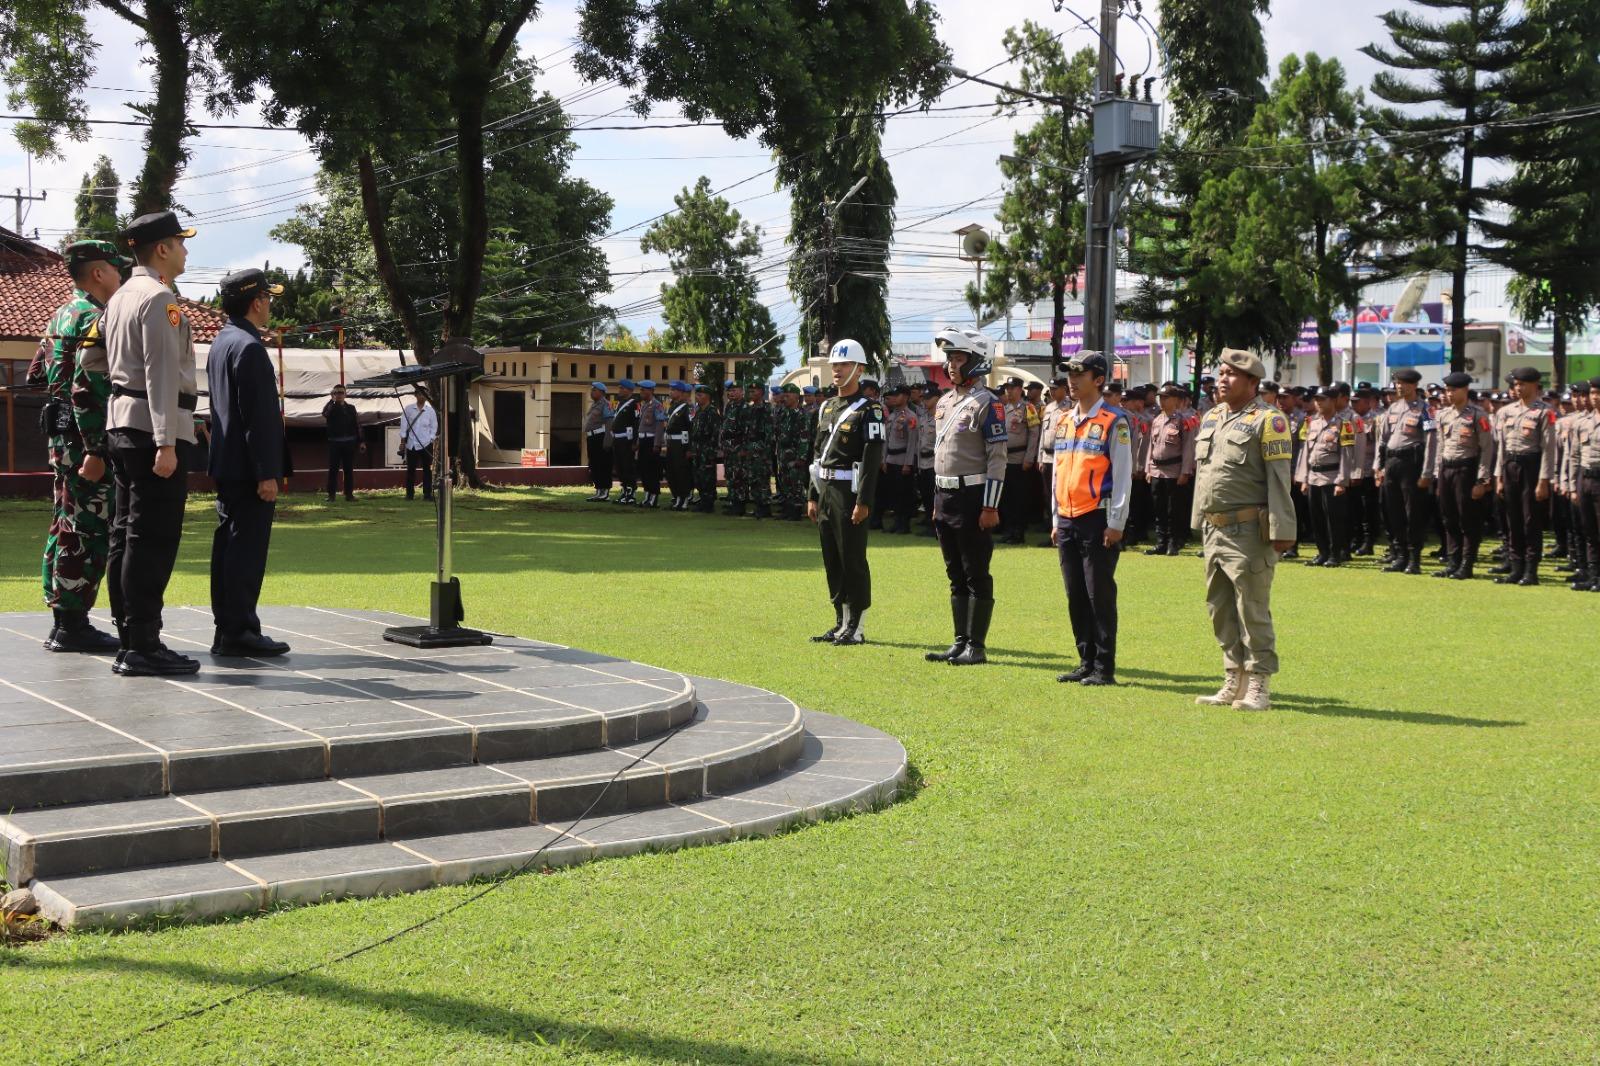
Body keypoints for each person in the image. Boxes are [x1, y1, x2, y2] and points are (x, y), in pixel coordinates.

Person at [102, 210, 203, 677]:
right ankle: (143, 643)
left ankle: (130, 635)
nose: (185, 250)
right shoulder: (160, 298)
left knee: (126, 533)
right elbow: (162, 371)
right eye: (180, 242)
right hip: (153, 429)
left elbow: (98, 363)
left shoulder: (120, 297)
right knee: (153, 537)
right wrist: (166, 442)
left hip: (123, 425)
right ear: (161, 248)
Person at [31, 240, 128, 654]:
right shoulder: (94, 317)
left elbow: (38, 374)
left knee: (65, 524)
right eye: (116, 269)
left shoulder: (60, 314)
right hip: (86, 440)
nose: (121, 277)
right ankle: (72, 625)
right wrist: (95, 448)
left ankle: (62, 619)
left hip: (62, 438)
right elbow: (90, 387)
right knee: (86, 532)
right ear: (98, 273)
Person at [1190, 348, 1296, 712]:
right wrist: (1197, 519)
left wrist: (1282, 530)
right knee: (1219, 608)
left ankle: (1259, 687)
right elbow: (1205, 475)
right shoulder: (1212, 418)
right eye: (1220, 371)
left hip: (1250, 530)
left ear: (1252, 382)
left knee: (1252, 608)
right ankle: (1233, 679)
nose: (1222, 378)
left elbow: (1279, 481)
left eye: (1232, 374)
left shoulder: (1270, 420)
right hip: (1213, 529)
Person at [206, 269, 291, 658]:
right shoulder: (250, 347)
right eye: (268, 298)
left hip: (227, 463)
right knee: (246, 550)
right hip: (248, 468)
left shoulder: (223, 342)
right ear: (256, 301)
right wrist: (267, 473)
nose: (270, 304)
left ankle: (227, 627)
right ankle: (240, 630)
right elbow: (258, 417)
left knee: (228, 546)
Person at [924, 328, 1006, 666]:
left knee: (976, 572)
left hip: (974, 496)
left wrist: (990, 505)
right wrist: (934, 501)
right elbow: (940, 454)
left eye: (959, 359)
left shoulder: (989, 403)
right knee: (954, 573)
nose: (951, 365)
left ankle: (977, 645)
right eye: (950, 359)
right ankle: (959, 641)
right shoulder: (945, 401)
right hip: (945, 495)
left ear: (976, 362)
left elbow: (997, 458)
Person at [1050, 352, 1130, 687]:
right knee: (1075, 594)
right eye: (1069, 373)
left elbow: (1124, 475)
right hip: (1068, 519)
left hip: (1097, 519)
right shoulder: (1066, 419)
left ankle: (1103, 666)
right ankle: (1085, 660)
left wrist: (1117, 522)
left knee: (1099, 594)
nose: (1072, 379)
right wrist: (1055, 517)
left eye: (1079, 374)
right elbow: (1057, 472)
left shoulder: (1115, 421)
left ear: (1098, 379)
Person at [807, 339, 886, 646]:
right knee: (831, 557)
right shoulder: (827, 406)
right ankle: (840, 621)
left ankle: (858, 624)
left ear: (859, 368)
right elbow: (816, 454)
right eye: (834, 366)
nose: (837, 371)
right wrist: (812, 495)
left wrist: (864, 501)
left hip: (848, 491)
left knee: (852, 557)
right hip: (825, 488)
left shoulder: (870, 410)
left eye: (843, 365)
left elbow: (871, 458)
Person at [1492, 366, 1557, 586]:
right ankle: (1516, 567)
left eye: (1522, 384)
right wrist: (1498, 476)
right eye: (1516, 384)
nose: (1518, 388)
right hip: (1510, 466)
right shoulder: (1505, 412)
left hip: (1532, 467)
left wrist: (1543, 481)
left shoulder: (1544, 412)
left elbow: (1548, 449)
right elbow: (1501, 446)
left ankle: (1531, 571)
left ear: (1534, 385)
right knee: (1513, 519)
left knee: (1531, 520)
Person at [1429, 371, 1496, 580]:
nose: (1449, 394)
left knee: (1468, 518)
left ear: (1465, 390)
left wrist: (1482, 480)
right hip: (1447, 469)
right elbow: (1440, 445)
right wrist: (1437, 474)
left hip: (1467, 469)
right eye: (1447, 390)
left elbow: (1486, 449)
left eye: (1453, 390)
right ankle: (1453, 561)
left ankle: (1467, 563)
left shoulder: (1477, 415)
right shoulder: (1443, 415)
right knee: (1448, 517)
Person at [1374, 368, 1438, 574]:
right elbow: (1382, 440)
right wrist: (1379, 466)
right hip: (1392, 463)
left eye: (1404, 383)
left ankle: (1414, 558)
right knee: (1394, 512)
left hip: (1412, 463)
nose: (1400, 386)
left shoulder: (1426, 410)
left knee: (1413, 513)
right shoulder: (1392, 408)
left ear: (1414, 385)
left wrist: (1427, 472)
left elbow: (1431, 442)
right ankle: (1400, 555)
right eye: (1397, 383)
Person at [1293, 386, 1353, 567]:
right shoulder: (1311, 422)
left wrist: (1342, 481)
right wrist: (1303, 478)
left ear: (1333, 401)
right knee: (1316, 518)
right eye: (1316, 399)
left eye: (1322, 399)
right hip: (1313, 477)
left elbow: (1347, 454)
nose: (1318, 402)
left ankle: (1335, 554)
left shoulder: (1344, 424)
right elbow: (1305, 452)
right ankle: (1322, 552)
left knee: (1333, 519)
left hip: (1332, 476)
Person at [1144, 382, 1197, 556]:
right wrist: (1148, 469)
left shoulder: (1182, 420)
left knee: (1173, 510)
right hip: (1157, 469)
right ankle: (1161, 542)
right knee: (1158, 509)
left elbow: (1189, 447)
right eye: (1161, 397)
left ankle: (1173, 543)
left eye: (1166, 397)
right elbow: (1151, 447)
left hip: (1174, 470)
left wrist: (1185, 472)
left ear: (1175, 400)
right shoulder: (1157, 420)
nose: (1162, 401)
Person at [1568, 377, 1600, 593]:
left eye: (1598, 393)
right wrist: (1572, 486)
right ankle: (1593, 576)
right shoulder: (1582, 422)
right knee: (1589, 531)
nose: (1595, 397)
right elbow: (1574, 456)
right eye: (1593, 393)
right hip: (1585, 480)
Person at [999, 378, 1039, 544]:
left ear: (1020, 389)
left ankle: (1018, 532)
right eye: (1007, 388)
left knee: (1019, 499)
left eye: (1013, 388)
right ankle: (1008, 531)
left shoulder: (1028, 408)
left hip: (1020, 459)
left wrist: (1029, 458)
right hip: (1004, 459)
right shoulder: (1002, 409)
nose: (1009, 391)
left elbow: (1034, 433)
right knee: (1006, 498)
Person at [322, 384, 362, 502]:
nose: (339, 395)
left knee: (349, 470)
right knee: (333, 470)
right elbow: (325, 414)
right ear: (333, 394)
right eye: (336, 393)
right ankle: (331, 495)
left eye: (341, 392)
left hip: (349, 442)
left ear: (345, 394)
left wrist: (362, 441)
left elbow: (357, 425)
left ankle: (349, 495)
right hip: (335, 443)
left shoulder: (351, 408)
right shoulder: (331, 407)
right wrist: (332, 401)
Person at [741, 383, 775, 519]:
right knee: (753, 479)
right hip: (750, 448)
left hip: (761, 450)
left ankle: (765, 507)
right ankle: (757, 506)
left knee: (762, 480)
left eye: (754, 391)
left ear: (761, 392)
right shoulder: (749, 409)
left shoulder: (767, 409)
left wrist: (762, 450)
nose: (751, 393)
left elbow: (769, 433)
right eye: (750, 391)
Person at [689, 383, 722, 513]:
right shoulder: (699, 411)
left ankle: (708, 503)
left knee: (707, 477)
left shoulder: (712, 412)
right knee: (698, 476)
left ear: (707, 397)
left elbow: (715, 433)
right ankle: (703, 500)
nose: (697, 397)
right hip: (697, 449)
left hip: (707, 449)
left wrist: (711, 452)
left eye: (700, 395)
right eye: (696, 394)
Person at [400, 385, 437, 501]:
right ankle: (409, 494)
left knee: (427, 470)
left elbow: (434, 426)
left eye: (424, 394)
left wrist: (430, 438)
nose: (422, 396)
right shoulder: (409, 409)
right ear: (415, 395)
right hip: (412, 444)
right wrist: (403, 440)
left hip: (426, 444)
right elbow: (403, 425)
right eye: (420, 393)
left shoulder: (430, 411)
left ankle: (427, 494)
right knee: (411, 470)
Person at [662, 380, 695, 511]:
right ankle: (677, 498)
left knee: (681, 471)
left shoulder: (686, 408)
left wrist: (689, 448)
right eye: (670, 390)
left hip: (681, 444)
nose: (671, 392)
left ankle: (685, 498)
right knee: (671, 472)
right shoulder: (671, 406)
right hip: (671, 443)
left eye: (673, 390)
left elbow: (690, 428)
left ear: (681, 392)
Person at [719, 381, 747, 515]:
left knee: (739, 476)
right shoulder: (729, 406)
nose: (731, 393)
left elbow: (747, 430)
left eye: (735, 390)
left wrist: (743, 448)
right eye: (729, 391)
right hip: (728, 447)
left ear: (742, 392)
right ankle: (733, 501)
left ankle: (740, 505)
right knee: (730, 475)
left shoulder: (744, 407)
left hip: (738, 446)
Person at [610, 379, 639, 505]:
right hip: (618, 438)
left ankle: (631, 492)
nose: (620, 390)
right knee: (620, 466)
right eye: (619, 388)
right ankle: (624, 490)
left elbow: (637, 423)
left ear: (629, 390)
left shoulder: (634, 403)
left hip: (627, 439)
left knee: (627, 466)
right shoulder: (621, 403)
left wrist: (634, 441)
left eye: (622, 388)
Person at [583, 381, 613, 502]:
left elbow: (609, 423)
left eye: (594, 390)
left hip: (601, 437)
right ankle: (598, 490)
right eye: (591, 390)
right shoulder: (595, 404)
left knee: (603, 464)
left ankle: (605, 491)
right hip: (592, 437)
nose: (591, 392)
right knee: (594, 464)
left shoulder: (605, 404)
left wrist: (607, 441)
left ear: (601, 392)